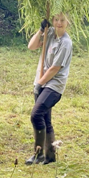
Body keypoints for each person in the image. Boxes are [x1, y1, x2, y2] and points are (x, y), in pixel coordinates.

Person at [25, 13, 72, 165]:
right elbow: (31, 46)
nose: (59, 23)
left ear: (67, 22)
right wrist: (41, 30)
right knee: (46, 119)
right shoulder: (50, 33)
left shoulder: (66, 43)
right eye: (56, 20)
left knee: (36, 115)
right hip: (41, 82)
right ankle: (50, 157)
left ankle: (38, 154)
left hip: (54, 85)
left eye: (62, 20)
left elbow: (54, 68)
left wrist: (40, 83)